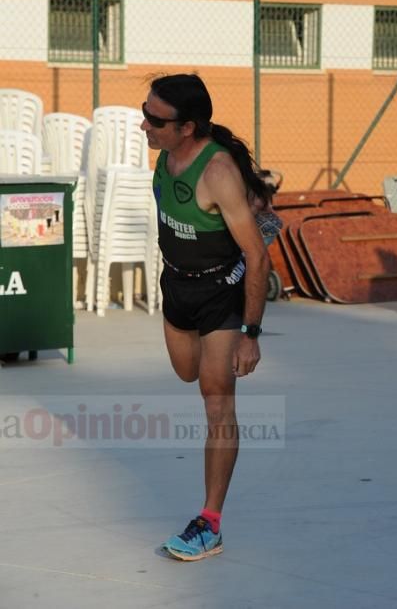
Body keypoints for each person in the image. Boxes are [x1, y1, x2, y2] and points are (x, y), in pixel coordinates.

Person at [141, 73, 272, 561]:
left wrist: (250, 335)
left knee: (216, 398)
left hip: (221, 290)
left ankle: (209, 522)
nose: (144, 125)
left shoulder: (217, 173)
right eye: (145, 111)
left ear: (188, 126)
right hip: (176, 285)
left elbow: (258, 259)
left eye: (155, 119)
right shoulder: (166, 152)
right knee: (186, 371)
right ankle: (262, 206)